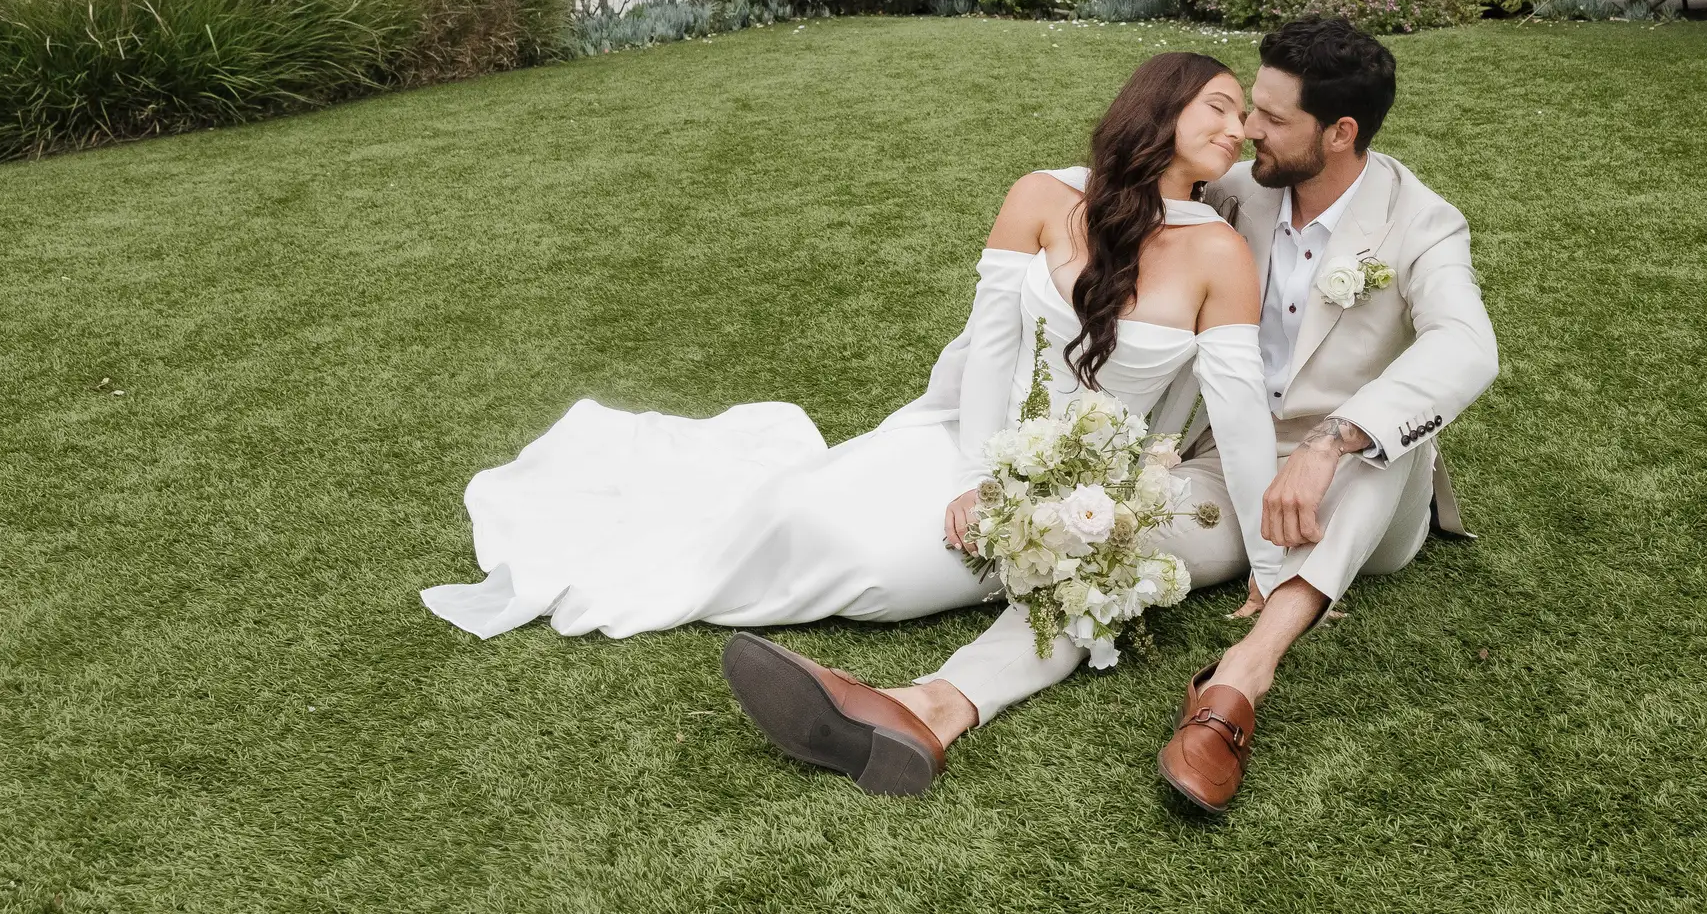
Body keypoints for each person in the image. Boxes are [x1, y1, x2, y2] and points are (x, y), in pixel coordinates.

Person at [422, 51, 1284, 793]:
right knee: (804, 513)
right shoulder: (1041, 196)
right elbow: (988, 352)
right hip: (975, 442)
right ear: (1158, 103)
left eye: (1246, 116)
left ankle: (917, 706)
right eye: (1221, 103)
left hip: (1090, 488)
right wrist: (978, 477)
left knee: (880, 578)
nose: (1240, 126)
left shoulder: (1219, 252)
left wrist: (1270, 561)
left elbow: (1241, 418)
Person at [874, 16, 1499, 813]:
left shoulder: (1422, 221)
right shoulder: (1234, 191)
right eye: (1247, 109)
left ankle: (1244, 671)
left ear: (1339, 132)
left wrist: (1333, 439)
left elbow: (1468, 347)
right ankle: (938, 703)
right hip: (1221, 467)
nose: (1247, 132)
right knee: (1103, 541)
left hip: (1364, 493)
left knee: (1388, 443)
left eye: (1272, 119)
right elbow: (1118, 186)